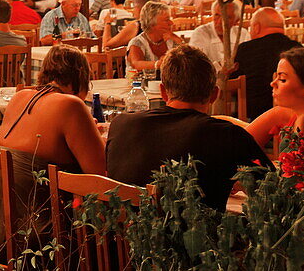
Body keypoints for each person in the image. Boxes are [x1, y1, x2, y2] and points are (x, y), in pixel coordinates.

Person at [106, 45, 272, 211]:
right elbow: (275, 192)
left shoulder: (120, 125)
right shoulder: (226, 135)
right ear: (214, 95)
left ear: (163, 92)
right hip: (196, 235)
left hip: (124, 233)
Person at [0, 45, 104, 245]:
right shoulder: (71, 104)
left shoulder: (21, 96)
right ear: (80, 77)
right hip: (39, 234)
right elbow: (100, 176)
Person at [229, 7, 301, 118]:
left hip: (252, 117)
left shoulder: (245, 49)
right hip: (290, 117)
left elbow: (233, 86)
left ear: (256, 27)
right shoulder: (298, 49)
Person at [187, 0, 248, 71]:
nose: (220, 22)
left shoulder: (242, 34)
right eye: (217, 15)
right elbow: (195, 65)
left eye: (227, 17)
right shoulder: (200, 33)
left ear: (236, 21)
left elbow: (248, 62)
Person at [126, 1, 182, 73]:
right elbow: (136, 64)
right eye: (166, 20)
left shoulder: (171, 39)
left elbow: (188, 62)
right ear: (152, 24)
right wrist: (158, 64)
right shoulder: (137, 42)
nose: (171, 23)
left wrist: (179, 41)